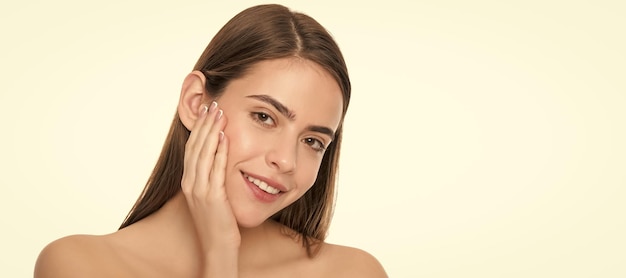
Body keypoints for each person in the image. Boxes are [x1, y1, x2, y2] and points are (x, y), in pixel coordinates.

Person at [34, 4, 387, 278]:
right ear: (195, 102)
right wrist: (219, 251)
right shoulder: (79, 265)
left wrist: (220, 251)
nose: (287, 160)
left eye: (312, 141)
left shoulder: (351, 272)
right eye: (264, 117)